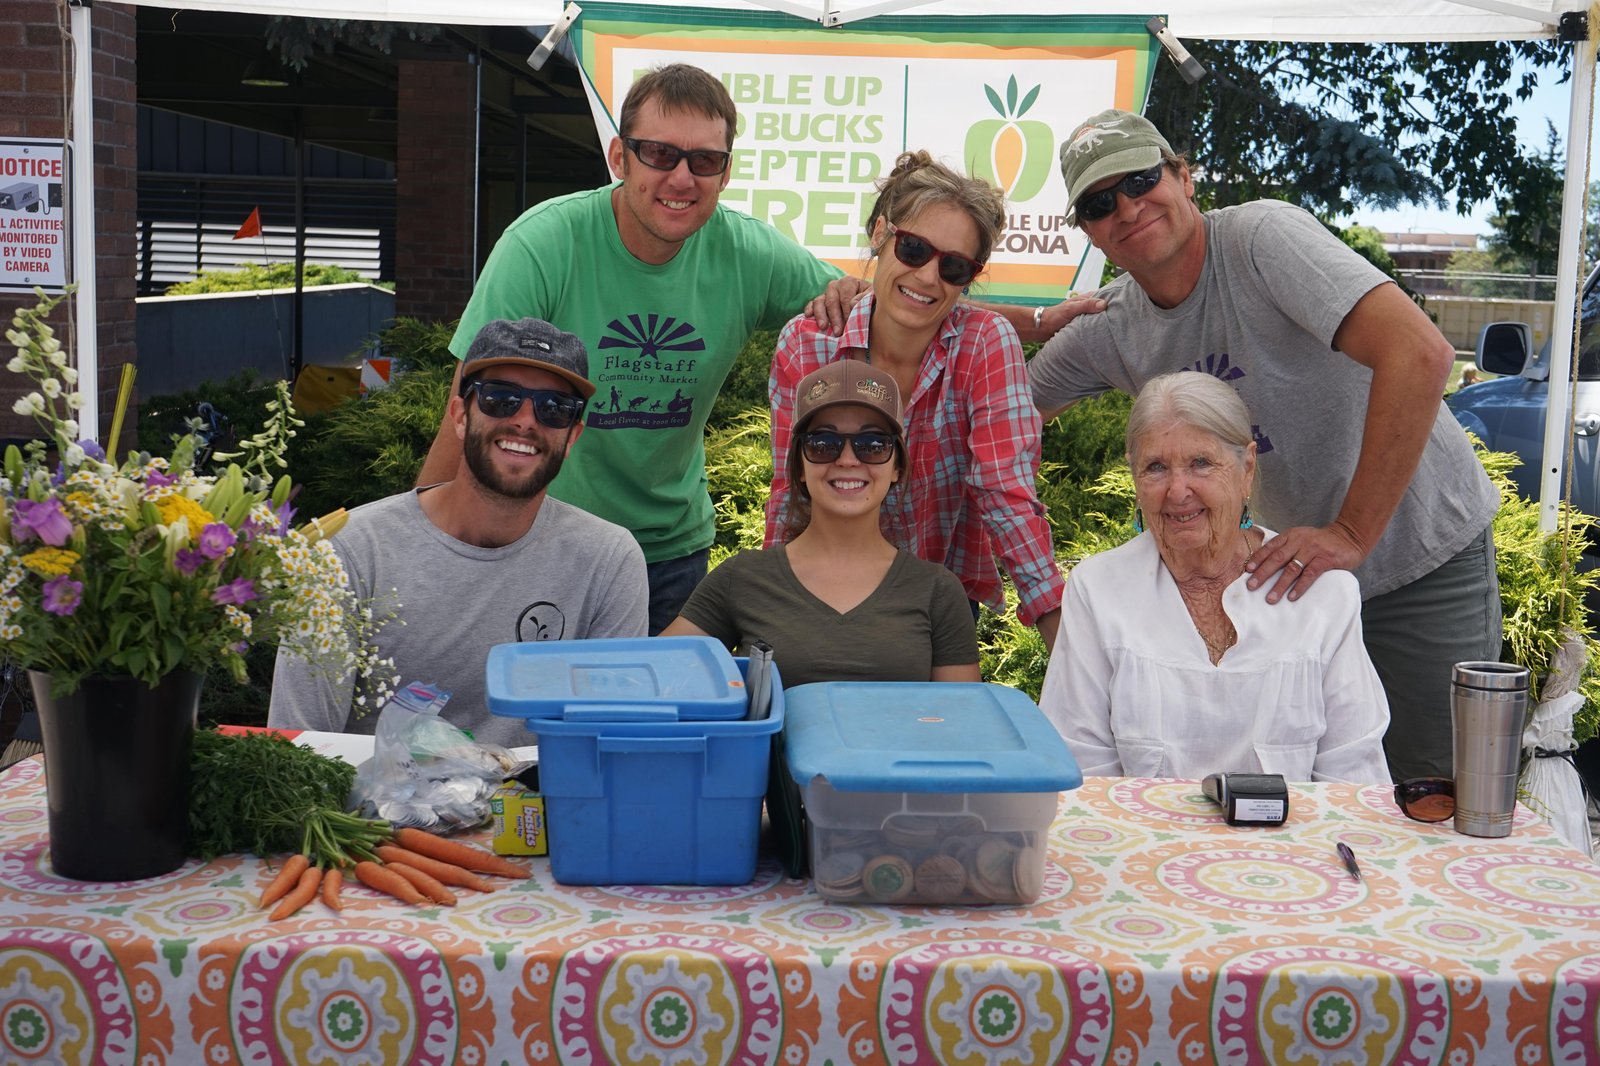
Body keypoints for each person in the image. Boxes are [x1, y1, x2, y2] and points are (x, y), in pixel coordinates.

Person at [1026, 109, 1500, 782]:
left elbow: (1420, 352)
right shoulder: (1114, 325)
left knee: (1437, 796)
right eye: (1101, 202)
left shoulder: (1259, 240)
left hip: (1418, 553)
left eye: (1140, 179)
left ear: (1183, 177)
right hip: (1295, 581)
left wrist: (1351, 532)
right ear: (1089, 233)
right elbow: (999, 413)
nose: (1128, 207)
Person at [417, 63, 842, 635]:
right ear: (619, 158)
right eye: (660, 154)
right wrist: (419, 549)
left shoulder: (750, 253)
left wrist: (993, 318)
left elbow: (882, 308)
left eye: (704, 160)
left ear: (725, 172)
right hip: (542, 537)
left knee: (653, 723)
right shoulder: (543, 243)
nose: (682, 178)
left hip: (670, 555)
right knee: (529, 719)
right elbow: (470, 411)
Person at [271, 318, 648, 748]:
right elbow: (298, 746)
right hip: (376, 813)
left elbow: (611, 749)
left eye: (554, 408)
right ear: (459, 416)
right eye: (501, 399)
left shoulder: (609, 561)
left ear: (572, 434)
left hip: (543, 814)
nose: (526, 421)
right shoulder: (348, 551)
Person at [765, 152, 1065, 648]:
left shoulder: (985, 342)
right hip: (823, 590)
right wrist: (769, 609)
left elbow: (1005, 490)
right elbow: (790, 490)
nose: (928, 277)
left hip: (939, 603)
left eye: (953, 266)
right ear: (881, 234)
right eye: (913, 249)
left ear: (972, 276)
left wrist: (1061, 633)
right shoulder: (808, 344)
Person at [1039, 373, 1392, 784]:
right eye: (1155, 467)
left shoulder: (1322, 595)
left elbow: (1354, 778)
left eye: (1201, 463)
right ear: (1135, 478)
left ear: (1247, 468)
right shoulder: (1098, 590)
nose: (1177, 491)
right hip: (1141, 844)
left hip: (1291, 846)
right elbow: (1080, 771)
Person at [664, 359, 980, 686]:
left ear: (897, 465)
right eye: (823, 444)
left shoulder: (938, 591)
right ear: (800, 465)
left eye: (872, 445)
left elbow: (960, 723)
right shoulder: (740, 579)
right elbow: (649, 679)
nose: (846, 459)